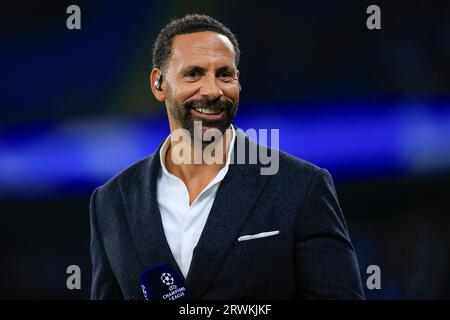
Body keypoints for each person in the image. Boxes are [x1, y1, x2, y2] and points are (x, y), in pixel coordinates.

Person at [90, 13, 364, 300]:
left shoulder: (301, 187)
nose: (212, 90)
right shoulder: (111, 202)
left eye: (224, 74)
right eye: (193, 73)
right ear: (159, 84)